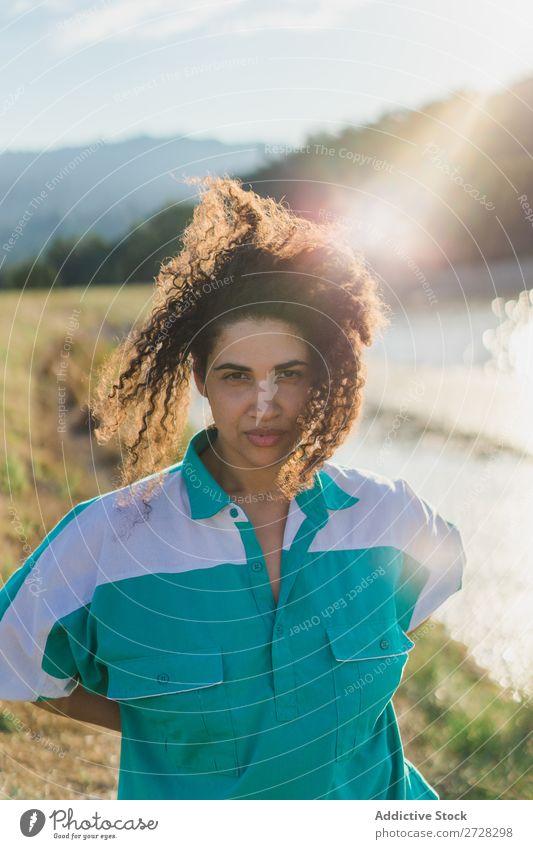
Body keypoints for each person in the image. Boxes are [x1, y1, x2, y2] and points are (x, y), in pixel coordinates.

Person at [0, 176, 466, 800]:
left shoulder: (393, 517)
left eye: (288, 374)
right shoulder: (108, 539)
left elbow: (424, 596)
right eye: (237, 376)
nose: (263, 405)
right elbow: (17, 658)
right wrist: (155, 725)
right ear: (201, 380)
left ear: (322, 377)